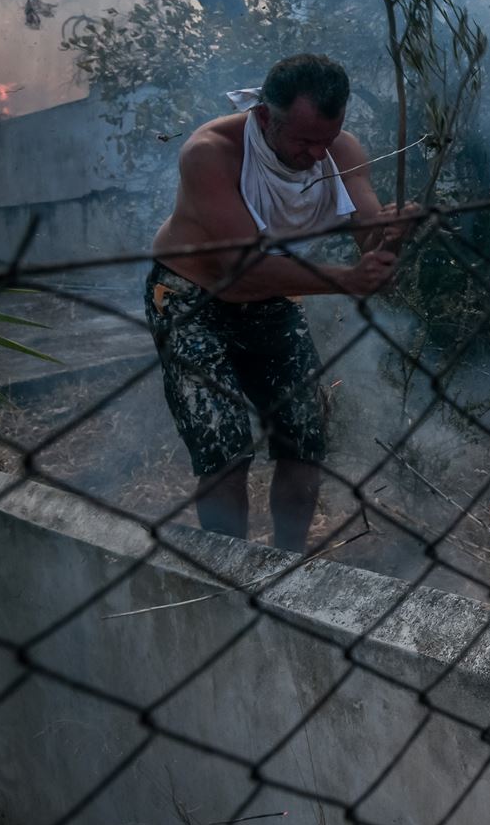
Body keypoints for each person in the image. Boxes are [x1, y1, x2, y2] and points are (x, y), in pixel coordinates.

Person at [145, 53, 410, 550]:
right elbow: (238, 274)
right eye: (304, 141)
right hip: (189, 300)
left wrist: (394, 240)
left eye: (326, 140)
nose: (316, 156)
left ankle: (289, 564)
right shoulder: (211, 153)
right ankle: (231, 571)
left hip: (270, 295)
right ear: (265, 116)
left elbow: (374, 263)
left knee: (304, 435)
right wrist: (347, 279)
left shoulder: (342, 152)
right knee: (225, 447)